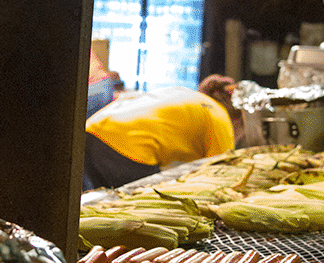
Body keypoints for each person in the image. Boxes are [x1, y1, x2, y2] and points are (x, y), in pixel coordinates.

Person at [82, 76, 239, 191]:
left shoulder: (186, 94)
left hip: (93, 130)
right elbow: (221, 174)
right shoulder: (219, 114)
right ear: (238, 116)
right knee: (140, 211)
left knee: (103, 205)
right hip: (129, 145)